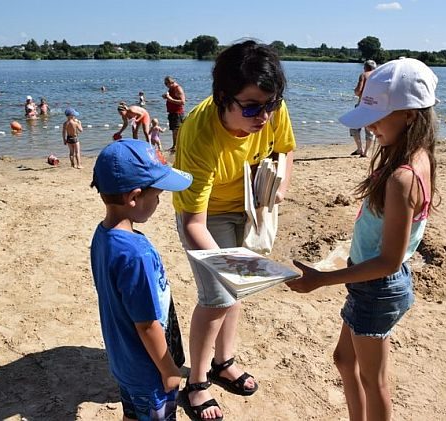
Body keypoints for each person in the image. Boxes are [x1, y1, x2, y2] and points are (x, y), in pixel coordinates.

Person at [288, 58, 439, 421]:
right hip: (370, 283)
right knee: (343, 360)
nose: (370, 126)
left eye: (378, 117)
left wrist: (322, 279)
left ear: (410, 116)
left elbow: (389, 259)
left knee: (375, 382)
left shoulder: (402, 176)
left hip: (379, 285)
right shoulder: (413, 156)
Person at [173, 40, 296, 421]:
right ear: (223, 97)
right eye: (252, 108)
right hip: (206, 214)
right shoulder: (200, 133)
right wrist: (230, 263)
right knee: (216, 297)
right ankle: (195, 382)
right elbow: (193, 221)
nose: (264, 116)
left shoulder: (270, 106)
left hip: (250, 206)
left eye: (271, 105)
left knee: (234, 291)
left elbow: (286, 149)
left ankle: (223, 361)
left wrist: (279, 188)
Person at [90, 139, 193, 421]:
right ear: (134, 198)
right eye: (158, 195)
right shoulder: (136, 254)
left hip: (124, 361)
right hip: (149, 370)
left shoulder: (102, 236)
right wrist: (169, 369)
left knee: (133, 413)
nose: (159, 201)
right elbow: (147, 325)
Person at [348, 60, 377, 158]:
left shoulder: (364, 75)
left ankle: (360, 148)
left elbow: (358, 91)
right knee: (370, 129)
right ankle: (366, 152)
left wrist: (356, 91)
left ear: (365, 67)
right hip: (375, 105)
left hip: (363, 104)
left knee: (354, 126)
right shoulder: (380, 75)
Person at [162, 76, 186, 153]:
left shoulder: (178, 89)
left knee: (176, 130)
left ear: (171, 82)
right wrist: (166, 97)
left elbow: (182, 102)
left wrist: (170, 99)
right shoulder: (171, 89)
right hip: (172, 113)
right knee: (173, 130)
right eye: (165, 84)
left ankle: (176, 147)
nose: (166, 85)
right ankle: (174, 146)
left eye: (166, 84)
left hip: (177, 113)